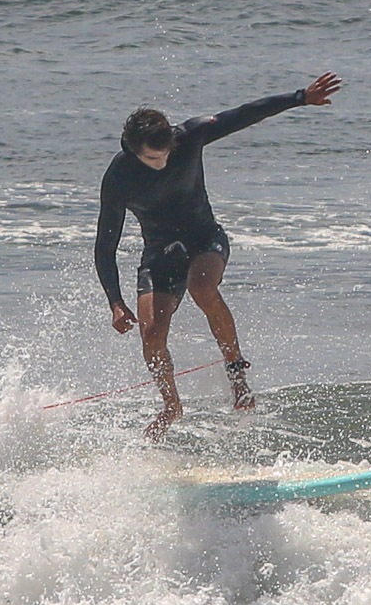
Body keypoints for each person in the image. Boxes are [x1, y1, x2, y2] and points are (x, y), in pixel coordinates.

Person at [94, 72, 343, 441]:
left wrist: (300, 97)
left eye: (165, 153)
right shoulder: (118, 178)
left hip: (204, 238)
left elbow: (241, 115)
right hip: (159, 254)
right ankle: (171, 407)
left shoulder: (188, 137)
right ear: (132, 150)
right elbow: (104, 245)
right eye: (152, 156)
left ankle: (236, 374)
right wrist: (114, 302)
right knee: (151, 335)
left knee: (201, 286)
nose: (162, 160)